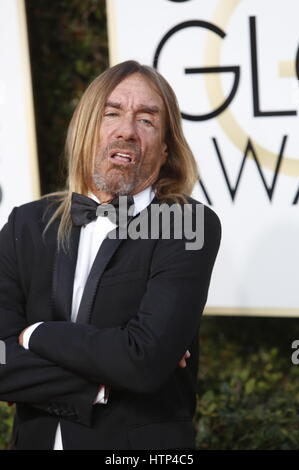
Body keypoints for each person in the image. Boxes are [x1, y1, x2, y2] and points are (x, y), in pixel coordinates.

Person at [0, 60, 221, 450]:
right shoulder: (26, 225)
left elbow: (142, 362)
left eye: (147, 120)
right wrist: (98, 382)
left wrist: (34, 334)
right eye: (112, 113)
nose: (127, 131)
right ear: (86, 129)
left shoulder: (188, 225)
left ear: (166, 147)